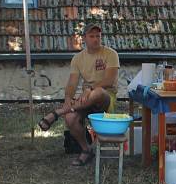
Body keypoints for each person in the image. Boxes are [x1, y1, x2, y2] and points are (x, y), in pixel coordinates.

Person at [37, 23, 119, 166]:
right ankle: (86, 150)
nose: (95, 39)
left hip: (106, 98)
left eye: (98, 36)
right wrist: (68, 99)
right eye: (92, 36)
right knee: (70, 117)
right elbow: (72, 83)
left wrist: (90, 88)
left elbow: (109, 81)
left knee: (98, 92)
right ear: (84, 38)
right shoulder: (78, 58)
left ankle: (56, 113)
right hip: (86, 99)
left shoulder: (110, 54)